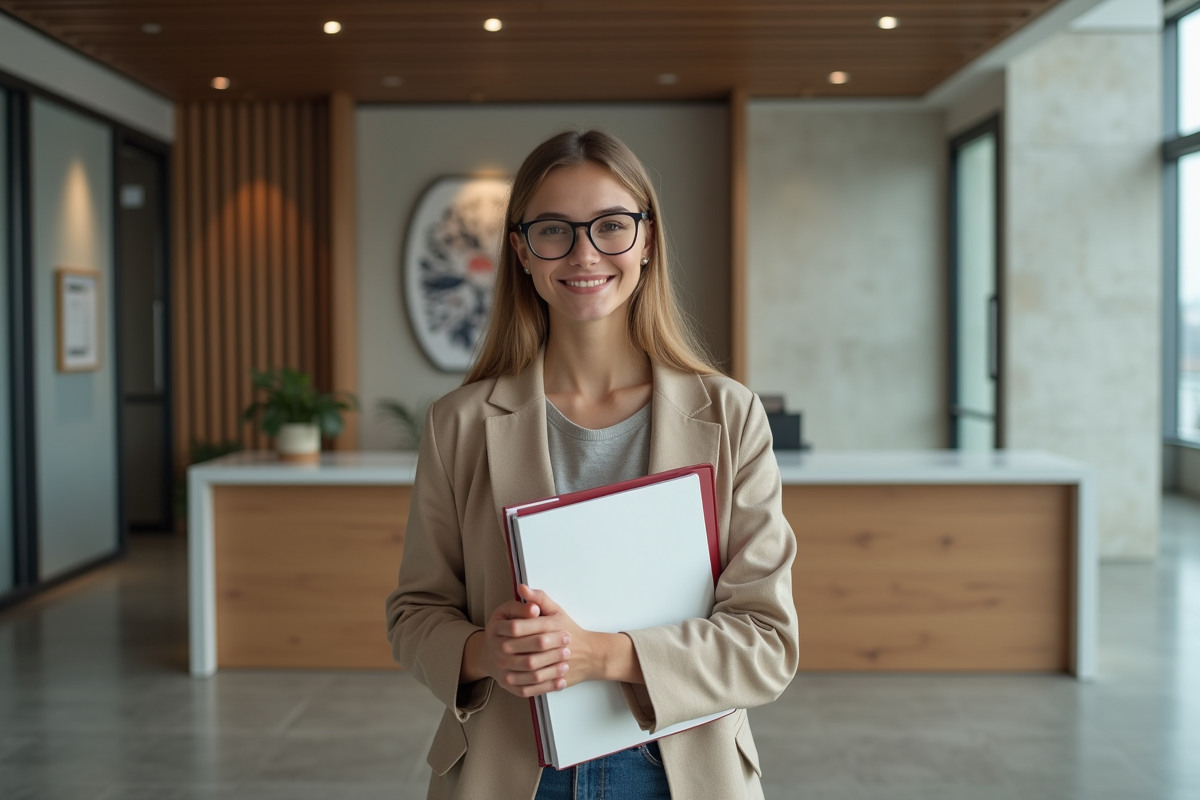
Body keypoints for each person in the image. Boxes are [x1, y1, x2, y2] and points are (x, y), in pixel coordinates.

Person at [385, 129, 798, 800]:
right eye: (554, 229)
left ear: (647, 239)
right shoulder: (457, 424)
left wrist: (605, 656)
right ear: (520, 249)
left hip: (681, 774)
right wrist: (482, 652)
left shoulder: (729, 416)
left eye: (610, 225)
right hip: (511, 773)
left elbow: (767, 641)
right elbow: (415, 612)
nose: (583, 253)